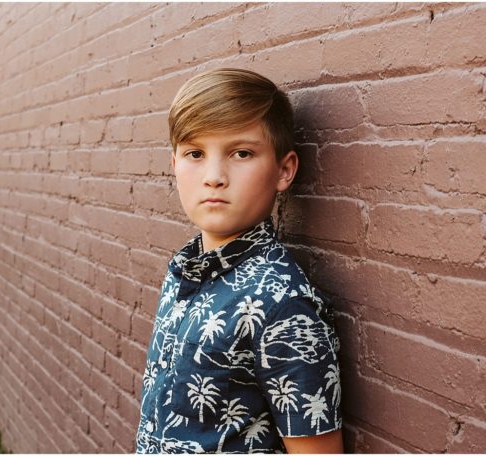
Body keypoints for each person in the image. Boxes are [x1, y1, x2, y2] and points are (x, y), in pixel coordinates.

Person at [135, 68, 343, 453]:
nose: (214, 176)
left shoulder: (282, 302)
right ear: (174, 164)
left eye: (241, 153)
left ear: (284, 170)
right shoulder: (183, 269)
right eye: (195, 153)